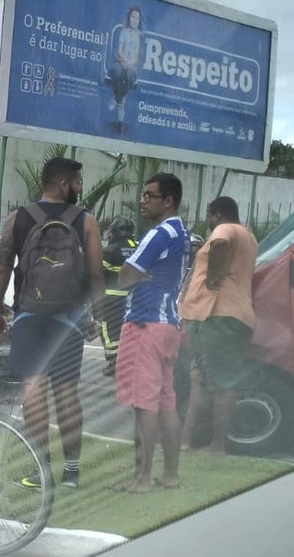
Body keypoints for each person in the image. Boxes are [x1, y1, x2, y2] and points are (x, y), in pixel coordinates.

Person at [0, 157, 104, 490]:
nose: (80, 188)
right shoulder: (86, 221)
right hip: (69, 317)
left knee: (33, 390)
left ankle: (41, 471)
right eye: (78, 182)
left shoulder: (17, 219)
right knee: (67, 391)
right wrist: (96, 316)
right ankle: (71, 472)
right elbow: (95, 273)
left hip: (29, 315)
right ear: (64, 184)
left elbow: (1, 268)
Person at [115, 173, 192, 493]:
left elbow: (124, 277)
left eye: (149, 195)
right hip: (169, 325)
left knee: (143, 404)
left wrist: (133, 273)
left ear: (168, 201)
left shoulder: (158, 234)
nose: (142, 200)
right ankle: (170, 474)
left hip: (144, 324)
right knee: (165, 404)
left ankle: (142, 478)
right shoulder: (182, 233)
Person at [179, 196, 258, 454]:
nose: (208, 223)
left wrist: (213, 277)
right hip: (213, 317)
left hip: (219, 316)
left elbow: (220, 242)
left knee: (221, 382)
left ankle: (217, 445)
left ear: (216, 215)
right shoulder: (248, 235)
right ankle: (187, 442)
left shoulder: (226, 230)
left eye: (209, 217)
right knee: (199, 379)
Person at [100, 216, 138, 375]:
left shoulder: (109, 251)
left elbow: (98, 274)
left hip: (111, 298)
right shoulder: (137, 246)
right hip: (134, 298)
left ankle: (115, 362)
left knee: (109, 330)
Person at [108, 6, 142, 133]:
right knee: (116, 72)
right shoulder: (123, 32)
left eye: (137, 18)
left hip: (131, 66)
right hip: (121, 61)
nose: (135, 20)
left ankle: (118, 99)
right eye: (133, 17)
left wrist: (129, 64)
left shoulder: (138, 36)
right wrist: (124, 62)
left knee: (129, 76)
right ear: (129, 18)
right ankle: (118, 98)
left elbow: (136, 57)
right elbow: (119, 51)